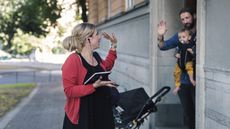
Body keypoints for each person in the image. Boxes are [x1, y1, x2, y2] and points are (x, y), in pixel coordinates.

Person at [61, 22, 118, 129]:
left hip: (103, 110)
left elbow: (107, 66)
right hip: (84, 114)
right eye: (97, 34)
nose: (100, 37)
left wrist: (113, 46)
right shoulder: (73, 60)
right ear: (88, 39)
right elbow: (69, 91)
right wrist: (93, 86)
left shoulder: (96, 56)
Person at [157, 8, 196, 129]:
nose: (185, 21)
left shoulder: (201, 33)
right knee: (188, 114)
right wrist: (160, 35)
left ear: (194, 16)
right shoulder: (181, 35)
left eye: (187, 18)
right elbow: (163, 46)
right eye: (183, 19)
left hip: (198, 80)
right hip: (184, 81)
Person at [173, 29, 196, 94]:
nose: (181, 39)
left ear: (189, 37)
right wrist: (176, 55)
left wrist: (192, 51)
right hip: (180, 62)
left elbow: (195, 53)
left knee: (190, 69)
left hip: (188, 61)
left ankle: (191, 79)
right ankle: (177, 85)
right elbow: (175, 52)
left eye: (183, 37)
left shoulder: (191, 44)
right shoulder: (179, 45)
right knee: (176, 73)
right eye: (180, 37)